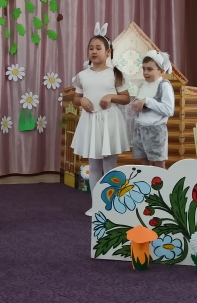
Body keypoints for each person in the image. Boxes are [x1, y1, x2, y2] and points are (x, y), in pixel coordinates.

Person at [71, 22, 130, 217]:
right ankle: (97, 205)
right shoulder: (82, 75)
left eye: (98, 48)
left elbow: (126, 98)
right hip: (91, 122)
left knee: (109, 166)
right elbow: (76, 98)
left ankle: (112, 205)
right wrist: (82, 100)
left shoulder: (115, 74)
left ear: (108, 52)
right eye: (91, 48)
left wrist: (111, 96)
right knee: (94, 166)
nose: (94, 51)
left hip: (109, 123)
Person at [131, 50, 175, 169]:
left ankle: (161, 181)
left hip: (155, 131)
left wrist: (148, 101)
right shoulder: (143, 85)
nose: (145, 72)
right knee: (144, 165)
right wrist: (136, 103)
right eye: (144, 69)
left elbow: (169, 110)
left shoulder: (164, 85)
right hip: (140, 129)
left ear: (162, 71)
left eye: (150, 69)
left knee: (158, 164)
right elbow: (139, 101)